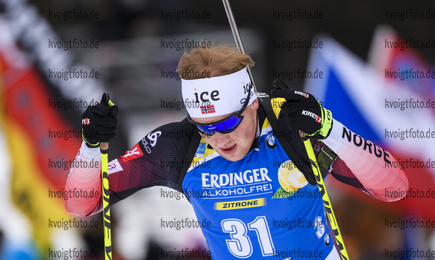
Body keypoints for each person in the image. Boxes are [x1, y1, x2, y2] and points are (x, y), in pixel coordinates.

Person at [65, 44, 408, 259]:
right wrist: (91, 147)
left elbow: (394, 187)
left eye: (227, 124)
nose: (218, 138)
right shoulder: (178, 144)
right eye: (205, 127)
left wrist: (329, 129)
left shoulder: (288, 124)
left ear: (251, 104)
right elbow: (82, 204)